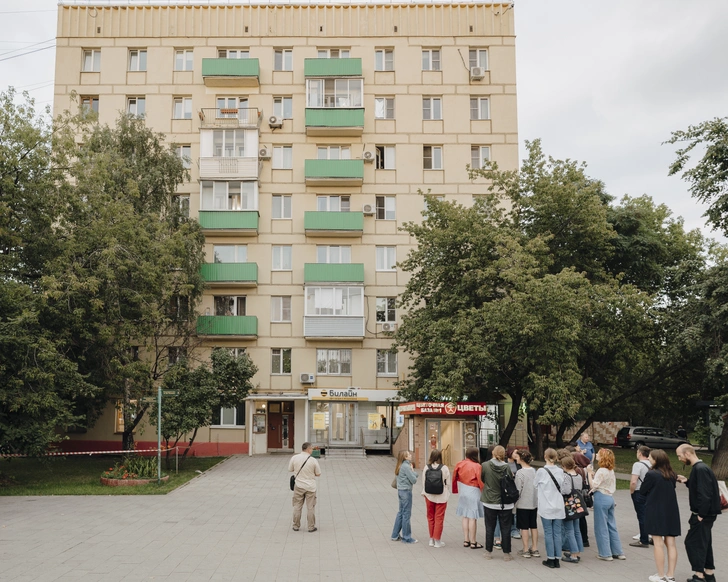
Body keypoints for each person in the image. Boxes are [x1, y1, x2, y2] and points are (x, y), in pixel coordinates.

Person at [676, 444, 721, 582]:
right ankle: (708, 573)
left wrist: (701, 514)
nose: (679, 459)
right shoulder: (701, 468)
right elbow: (701, 488)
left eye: (679, 456)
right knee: (704, 542)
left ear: (687, 454)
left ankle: (699, 575)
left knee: (693, 543)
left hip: (702, 514)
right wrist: (687, 482)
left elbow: (705, 494)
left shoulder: (700, 469)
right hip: (707, 513)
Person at [640, 449, 681, 582]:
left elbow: (643, 491)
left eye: (651, 458)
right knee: (671, 542)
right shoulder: (672, 474)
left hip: (655, 510)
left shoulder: (652, 474)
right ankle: (671, 575)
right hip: (671, 510)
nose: (649, 459)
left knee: (658, 543)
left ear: (656, 460)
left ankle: (661, 575)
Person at [587, 448, 626, 561]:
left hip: (601, 498)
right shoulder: (610, 470)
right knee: (611, 525)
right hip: (610, 497)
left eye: (599, 454)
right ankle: (618, 552)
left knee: (601, 526)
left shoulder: (601, 470)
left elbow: (593, 485)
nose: (597, 455)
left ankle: (605, 553)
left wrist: (589, 474)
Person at [535, 448, 571, 568]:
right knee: (557, 533)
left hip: (546, 505)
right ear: (556, 458)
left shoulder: (541, 471)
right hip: (558, 505)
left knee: (548, 533)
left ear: (545, 456)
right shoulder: (560, 471)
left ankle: (550, 558)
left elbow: (535, 484)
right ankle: (557, 558)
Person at [481, 445, 515, 561]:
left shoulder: (485, 465)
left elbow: (483, 479)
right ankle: (506, 553)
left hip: (490, 500)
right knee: (505, 527)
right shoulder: (507, 467)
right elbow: (510, 480)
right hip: (505, 502)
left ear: (493, 453)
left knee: (489, 527)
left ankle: (488, 552)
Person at [452, 446, 484, 549]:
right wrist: (484, 491)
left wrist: (455, 489)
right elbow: (480, 481)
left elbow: (454, 477)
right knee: (472, 517)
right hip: (473, 490)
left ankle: (466, 539)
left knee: (465, 516)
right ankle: (473, 541)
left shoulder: (460, 463)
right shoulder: (477, 466)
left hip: (463, 489)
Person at [288, 441, 322, 532]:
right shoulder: (313, 460)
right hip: (310, 487)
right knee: (310, 507)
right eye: (311, 448)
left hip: (298, 485)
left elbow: (290, 469)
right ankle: (311, 527)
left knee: (297, 506)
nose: (312, 450)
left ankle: (296, 526)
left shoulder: (294, 458)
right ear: (308, 449)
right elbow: (318, 473)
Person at [513, 449, 539, 558]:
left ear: (522, 459)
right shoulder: (534, 471)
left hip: (523, 503)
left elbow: (518, 489)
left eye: (517, 457)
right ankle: (534, 548)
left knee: (524, 527)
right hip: (534, 502)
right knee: (533, 525)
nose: (516, 459)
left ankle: (525, 549)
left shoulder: (520, 473)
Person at [421, 449, 450, 548]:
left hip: (429, 495)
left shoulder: (426, 467)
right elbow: (447, 483)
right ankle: (437, 540)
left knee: (430, 517)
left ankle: (431, 539)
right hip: (441, 496)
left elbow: (423, 481)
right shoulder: (444, 468)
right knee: (439, 517)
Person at [560, 455, 584, 563]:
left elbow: (566, 490)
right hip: (577, 504)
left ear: (564, 466)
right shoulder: (578, 475)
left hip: (569, 505)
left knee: (569, 530)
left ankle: (573, 554)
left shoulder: (566, 476)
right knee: (577, 529)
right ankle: (578, 551)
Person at [392, 450, 418, 544]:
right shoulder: (406, 466)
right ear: (405, 457)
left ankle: (394, 535)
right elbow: (414, 480)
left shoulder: (400, 466)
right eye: (408, 454)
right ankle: (407, 537)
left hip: (400, 491)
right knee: (406, 514)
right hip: (406, 491)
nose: (410, 455)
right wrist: (413, 471)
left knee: (401, 513)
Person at [629, 445, 652, 548]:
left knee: (642, 515)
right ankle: (653, 536)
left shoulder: (638, 465)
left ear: (640, 453)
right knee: (650, 515)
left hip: (639, 491)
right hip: (650, 492)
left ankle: (644, 540)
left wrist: (631, 491)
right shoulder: (652, 463)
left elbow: (634, 481)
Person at [572, 449, 592, 547]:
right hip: (583, 494)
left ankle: (582, 539)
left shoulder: (577, 470)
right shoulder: (584, 469)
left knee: (579, 517)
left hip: (578, 495)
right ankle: (584, 539)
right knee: (582, 517)